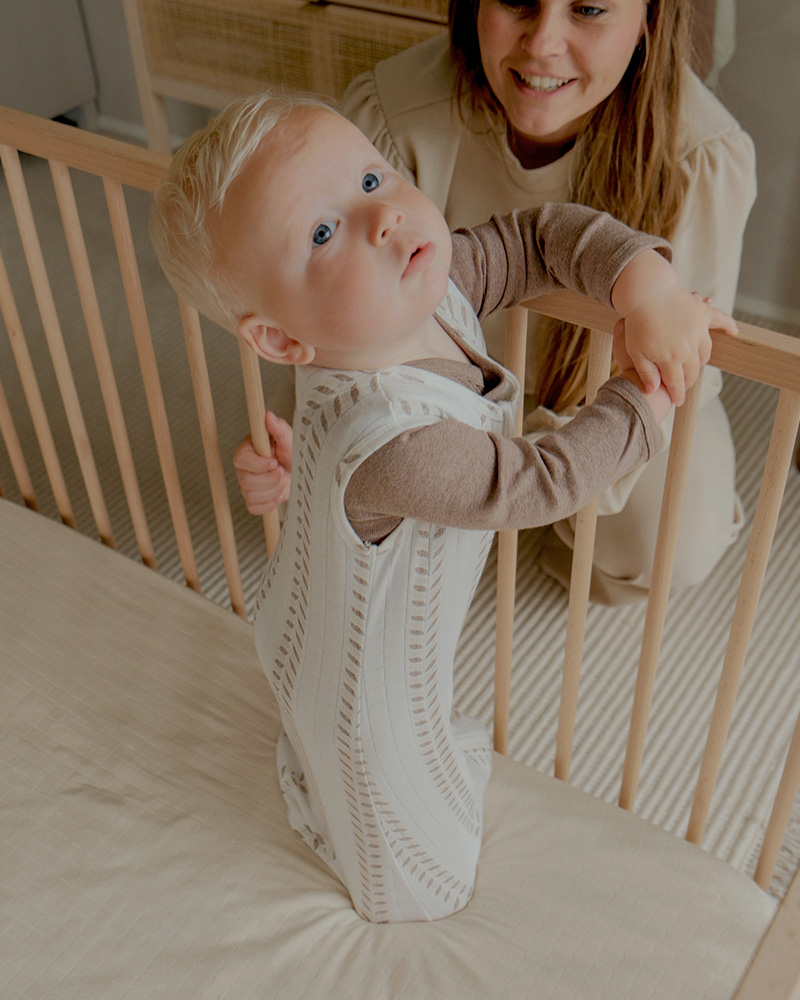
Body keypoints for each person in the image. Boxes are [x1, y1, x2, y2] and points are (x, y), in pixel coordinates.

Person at [149, 91, 736, 921]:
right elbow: (543, 479)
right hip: (359, 695)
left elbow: (535, 239)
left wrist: (647, 287)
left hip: (302, 610)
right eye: (324, 233)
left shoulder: (425, 284)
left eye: (370, 178)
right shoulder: (400, 447)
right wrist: (651, 389)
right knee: (420, 870)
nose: (383, 217)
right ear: (281, 341)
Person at [234, 0, 756, 605]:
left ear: (649, 16)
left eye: (588, 9)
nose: (543, 43)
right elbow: (330, 328)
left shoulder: (703, 156)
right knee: (298, 470)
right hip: (427, 379)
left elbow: (664, 363)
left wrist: (549, 461)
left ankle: (553, 538)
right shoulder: (392, 112)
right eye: (515, 0)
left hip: (604, 392)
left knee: (670, 535)